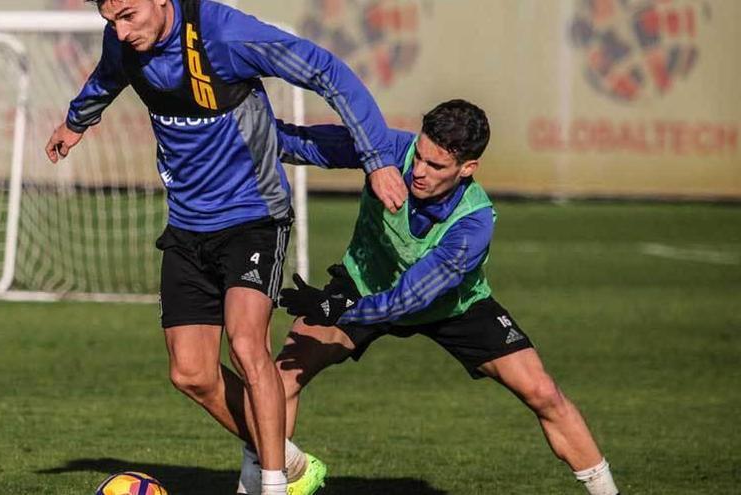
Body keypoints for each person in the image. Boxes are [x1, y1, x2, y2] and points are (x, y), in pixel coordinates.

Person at [44, 1, 406, 494]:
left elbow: (326, 70)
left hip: (252, 217)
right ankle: (290, 459)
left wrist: (378, 158)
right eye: (111, 21)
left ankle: (274, 484)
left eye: (129, 15)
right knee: (190, 372)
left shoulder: (225, 36)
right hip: (188, 225)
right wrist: (75, 122)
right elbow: (108, 77)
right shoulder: (122, 42)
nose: (121, 31)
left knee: (244, 343)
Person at [265, 99, 621, 495]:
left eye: (435, 166)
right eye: (419, 155)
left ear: (467, 168)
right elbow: (304, 143)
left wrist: (340, 310)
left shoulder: (473, 223)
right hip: (364, 281)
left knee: (544, 393)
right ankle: (279, 480)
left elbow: (408, 300)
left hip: (451, 305)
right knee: (279, 383)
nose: (418, 171)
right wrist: (234, 128)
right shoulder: (386, 150)